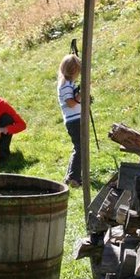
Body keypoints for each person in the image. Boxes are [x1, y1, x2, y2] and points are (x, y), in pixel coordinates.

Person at [57, 53, 82, 188]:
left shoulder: (68, 84)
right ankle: (73, 177)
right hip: (74, 120)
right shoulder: (65, 86)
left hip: (75, 119)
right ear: (74, 71)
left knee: (78, 147)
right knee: (80, 148)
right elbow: (71, 103)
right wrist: (80, 95)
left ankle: (71, 175)